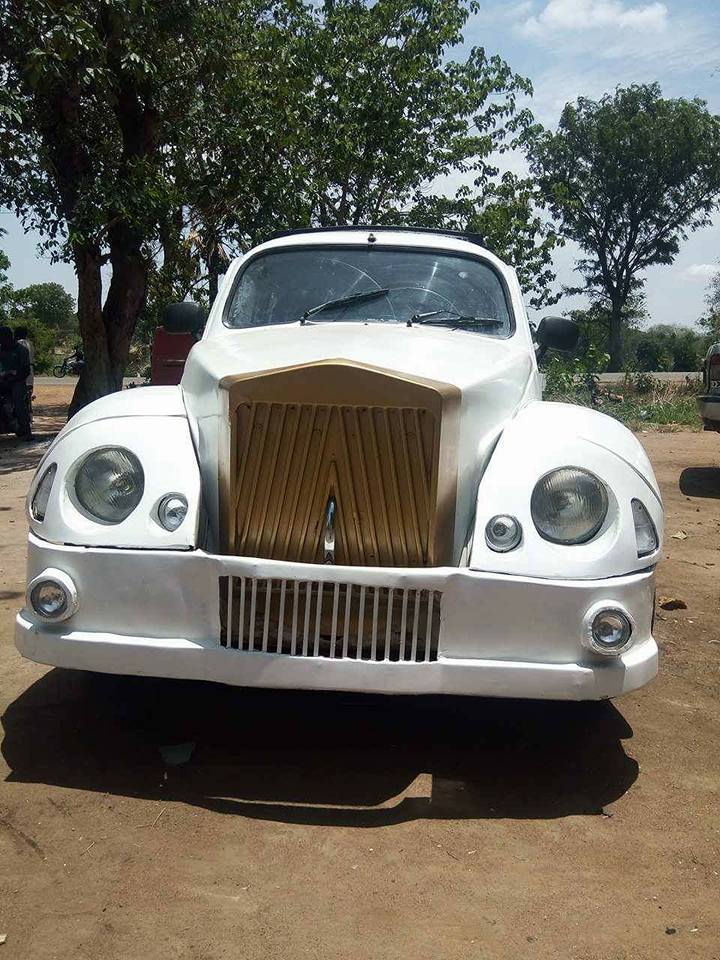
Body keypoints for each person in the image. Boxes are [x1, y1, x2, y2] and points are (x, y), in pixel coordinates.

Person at [0, 325, 32, 439]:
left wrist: (13, 378)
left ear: (9, 337)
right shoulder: (1, 350)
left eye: (3, 338)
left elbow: (26, 370)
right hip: (2, 380)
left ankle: (26, 431)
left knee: (19, 402)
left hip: (17, 381)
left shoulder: (21, 350)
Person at [14, 325, 35, 393]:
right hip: (30, 368)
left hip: (22, 370)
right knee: (28, 390)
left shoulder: (18, 343)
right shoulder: (30, 343)